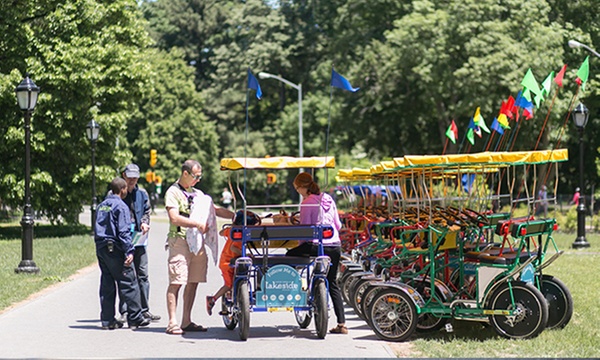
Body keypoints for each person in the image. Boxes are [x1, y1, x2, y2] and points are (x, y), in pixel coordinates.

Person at [164, 160, 235, 335]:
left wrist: (236, 216)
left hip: (197, 243)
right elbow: (174, 218)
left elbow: (215, 209)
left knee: (193, 281)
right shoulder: (173, 192)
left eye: (200, 176)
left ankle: (186, 320)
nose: (198, 180)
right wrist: (195, 223)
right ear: (185, 174)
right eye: (196, 176)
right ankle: (172, 322)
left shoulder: (198, 193)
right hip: (179, 241)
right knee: (177, 282)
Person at [285, 172, 347, 334]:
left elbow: (304, 231)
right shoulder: (329, 199)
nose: (298, 191)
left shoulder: (307, 203)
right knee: (332, 282)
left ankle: (293, 286)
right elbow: (338, 225)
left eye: (297, 188)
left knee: (289, 256)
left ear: (303, 187)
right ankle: (342, 324)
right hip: (334, 245)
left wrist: (299, 246)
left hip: (315, 246)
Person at [94, 177, 150, 330]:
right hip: (116, 249)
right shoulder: (121, 206)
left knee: (107, 283)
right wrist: (129, 251)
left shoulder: (102, 206)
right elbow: (123, 232)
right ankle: (135, 317)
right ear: (123, 189)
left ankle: (107, 320)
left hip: (101, 247)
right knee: (129, 282)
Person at [117, 163, 161, 323]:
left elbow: (147, 211)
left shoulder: (142, 194)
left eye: (135, 178)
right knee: (126, 275)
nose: (132, 181)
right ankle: (124, 311)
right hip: (123, 240)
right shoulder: (116, 193)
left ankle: (144, 310)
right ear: (124, 176)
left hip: (140, 240)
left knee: (143, 275)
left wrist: (144, 222)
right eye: (130, 178)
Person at [205, 210, 258, 316]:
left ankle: (234, 294)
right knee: (229, 285)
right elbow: (234, 248)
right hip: (228, 262)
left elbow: (221, 233)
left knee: (236, 280)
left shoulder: (232, 230)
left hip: (231, 260)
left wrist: (229, 228)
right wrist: (246, 254)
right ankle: (212, 299)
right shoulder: (240, 233)